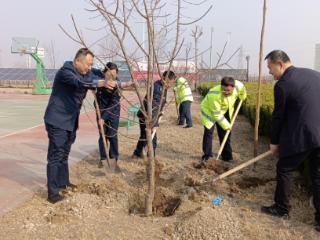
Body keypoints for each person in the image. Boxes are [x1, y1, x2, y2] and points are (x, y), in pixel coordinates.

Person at [261, 50, 320, 231]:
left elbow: (278, 116)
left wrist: (274, 142)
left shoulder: (283, 84)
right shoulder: (315, 74)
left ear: (279, 64)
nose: (270, 72)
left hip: (302, 136)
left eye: (270, 68)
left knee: (284, 168)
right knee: (318, 175)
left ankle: (281, 208)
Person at [44, 48, 108, 204]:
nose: (89, 67)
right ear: (78, 61)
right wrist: (99, 82)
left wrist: (113, 78)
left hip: (71, 122)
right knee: (56, 156)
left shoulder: (87, 72)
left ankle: (63, 183)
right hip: (57, 120)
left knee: (65, 154)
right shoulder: (65, 72)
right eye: (87, 64)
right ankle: (52, 193)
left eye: (91, 64)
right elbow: (79, 82)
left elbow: (103, 75)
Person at [95, 62, 134, 170]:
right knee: (102, 137)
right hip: (100, 111)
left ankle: (113, 160)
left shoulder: (116, 85)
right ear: (105, 73)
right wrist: (99, 114)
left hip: (113, 113)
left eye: (114, 75)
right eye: (109, 74)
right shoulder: (100, 80)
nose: (111, 77)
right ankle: (103, 159)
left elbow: (113, 104)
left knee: (112, 136)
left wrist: (104, 117)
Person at [200, 76, 247, 163]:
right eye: (223, 90)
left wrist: (243, 96)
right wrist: (227, 126)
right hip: (209, 111)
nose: (226, 92)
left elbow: (243, 90)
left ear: (233, 87)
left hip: (224, 110)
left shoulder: (238, 86)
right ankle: (207, 156)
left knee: (225, 133)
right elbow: (216, 114)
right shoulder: (214, 94)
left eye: (228, 90)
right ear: (221, 86)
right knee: (208, 132)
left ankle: (227, 156)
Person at [132, 70, 176, 158]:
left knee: (144, 135)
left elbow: (159, 104)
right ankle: (150, 158)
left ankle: (137, 154)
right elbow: (154, 107)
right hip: (146, 115)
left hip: (149, 115)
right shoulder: (157, 89)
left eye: (172, 83)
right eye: (169, 83)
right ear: (164, 79)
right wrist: (154, 123)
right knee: (152, 139)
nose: (170, 85)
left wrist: (161, 110)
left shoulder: (162, 86)